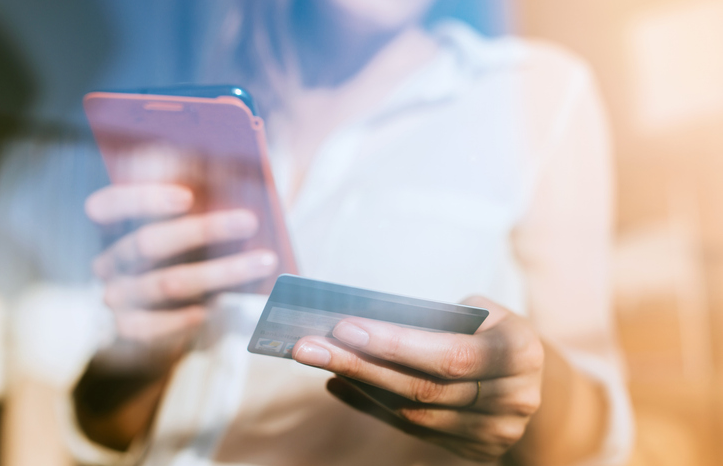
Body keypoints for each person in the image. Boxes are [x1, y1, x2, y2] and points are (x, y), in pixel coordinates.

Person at [70, 1, 633, 465]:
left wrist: (534, 399)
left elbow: (601, 439)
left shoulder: (533, 94)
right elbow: (110, 431)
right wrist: (138, 354)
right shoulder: (204, 122)